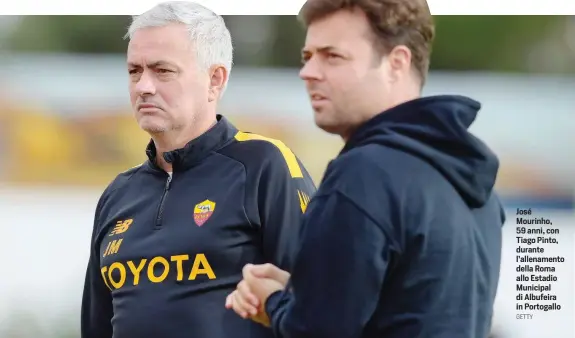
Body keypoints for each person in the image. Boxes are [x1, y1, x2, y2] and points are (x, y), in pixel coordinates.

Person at [226, 0, 506, 337]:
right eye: (307, 56)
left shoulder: (364, 175)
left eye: (332, 56)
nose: (308, 72)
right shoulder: (471, 181)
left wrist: (273, 303)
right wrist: (303, 297)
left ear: (396, 63)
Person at [80, 2, 316, 338]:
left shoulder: (265, 165)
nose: (143, 86)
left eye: (163, 71)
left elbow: (322, 304)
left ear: (215, 80)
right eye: (134, 71)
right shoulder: (118, 193)